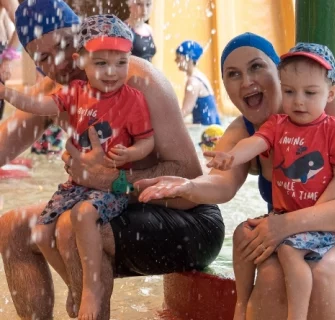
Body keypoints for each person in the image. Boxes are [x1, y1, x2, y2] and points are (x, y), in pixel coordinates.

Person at [0, 1, 224, 319]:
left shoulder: (138, 81)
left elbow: (189, 179)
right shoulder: (60, 91)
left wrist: (109, 180)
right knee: (12, 229)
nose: (60, 63)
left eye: (65, 45)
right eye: (45, 57)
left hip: (190, 222)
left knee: (71, 225)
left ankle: (86, 306)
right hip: (115, 210)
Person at [135, 32, 335, 320]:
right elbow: (220, 181)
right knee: (268, 280)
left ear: (276, 71)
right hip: (294, 236)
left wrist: (287, 224)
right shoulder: (247, 131)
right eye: (233, 74)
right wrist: (188, 186)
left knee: (324, 276)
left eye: (256, 67)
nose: (247, 81)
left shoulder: (332, 109)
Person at [1, 13, 156, 319]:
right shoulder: (70, 93)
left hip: (128, 193)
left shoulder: (135, 88)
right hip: (83, 187)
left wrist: (124, 164)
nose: (111, 73)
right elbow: (34, 108)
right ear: (81, 59)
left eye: (120, 62)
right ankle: (75, 287)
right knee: (29, 230)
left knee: (77, 220)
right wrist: (7, 92)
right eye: (44, 57)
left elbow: (163, 154)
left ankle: (90, 292)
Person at [205, 43, 335, 320]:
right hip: (292, 221)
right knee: (266, 267)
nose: (299, 101)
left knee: (321, 276)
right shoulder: (276, 124)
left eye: (309, 93)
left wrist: (310, 217)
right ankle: (241, 308)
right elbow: (250, 147)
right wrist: (227, 160)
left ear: (329, 93)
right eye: (290, 92)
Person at [175, 40, 221, 126]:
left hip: (206, 131)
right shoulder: (200, 76)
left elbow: (185, 111)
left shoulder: (193, 81)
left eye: (178, 57)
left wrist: (167, 124)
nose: (175, 60)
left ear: (188, 58)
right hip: (214, 127)